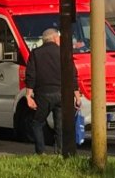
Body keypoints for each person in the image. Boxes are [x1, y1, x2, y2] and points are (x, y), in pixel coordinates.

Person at [24, 28, 81, 156]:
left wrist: (28, 96)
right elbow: (72, 75)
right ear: (55, 38)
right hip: (62, 95)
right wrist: (77, 96)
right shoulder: (64, 53)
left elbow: (31, 76)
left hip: (43, 95)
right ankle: (61, 152)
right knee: (59, 125)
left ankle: (41, 152)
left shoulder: (35, 53)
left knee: (37, 123)